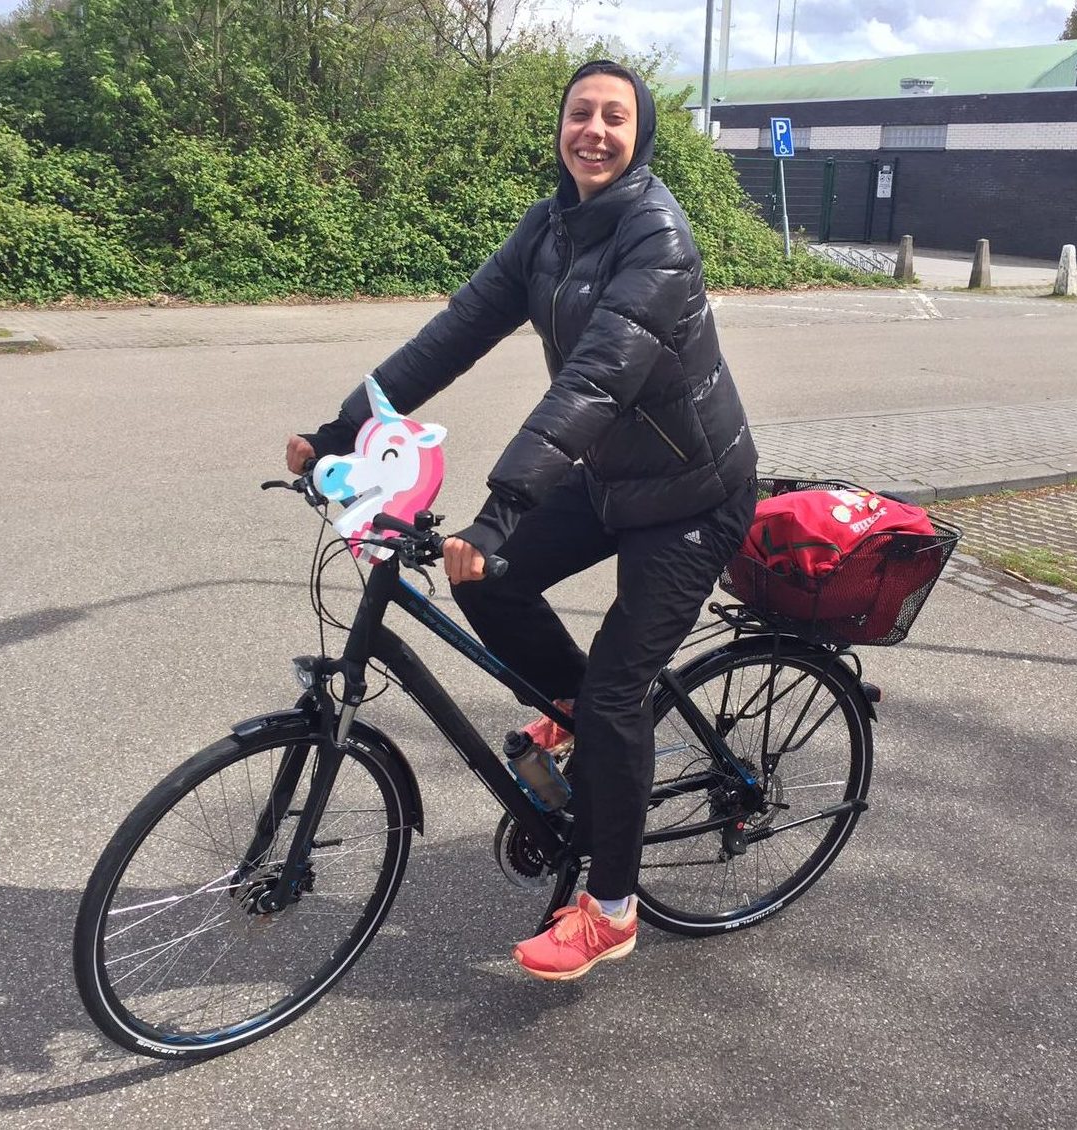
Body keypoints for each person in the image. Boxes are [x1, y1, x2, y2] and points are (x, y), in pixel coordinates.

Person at [286, 60, 757, 981]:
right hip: (612, 473)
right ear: (560, 128)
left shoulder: (658, 237)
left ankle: (611, 910)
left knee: (618, 692)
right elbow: (455, 331)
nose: (594, 130)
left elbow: (595, 380)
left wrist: (501, 509)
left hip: (692, 495)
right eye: (580, 113)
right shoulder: (549, 226)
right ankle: (581, 717)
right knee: (488, 586)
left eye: (614, 117)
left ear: (640, 135)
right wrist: (342, 428)